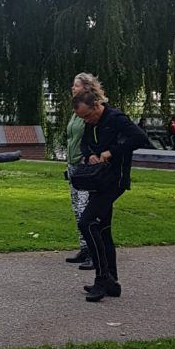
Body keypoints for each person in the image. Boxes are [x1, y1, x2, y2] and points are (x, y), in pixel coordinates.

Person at [71, 87, 151, 302]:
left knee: (87, 223)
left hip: (114, 181)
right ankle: (112, 282)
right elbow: (86, 144)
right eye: (82, 118)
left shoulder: (116, 118)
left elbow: (140, 138)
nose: (87, 121)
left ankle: (102, 278)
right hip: (98, 179)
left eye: (88, 115)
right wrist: (90, 156)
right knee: (103, 229)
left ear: (97, 106)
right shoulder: (91, 123)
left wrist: (111, 152)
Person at [64, 73, 106, 271]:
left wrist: (90, 155)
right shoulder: (76, 111)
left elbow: (94, 136)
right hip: (73, 165)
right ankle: (83, 247)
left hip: (86, 166)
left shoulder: (93, 109)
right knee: (75, 206)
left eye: (76, 85)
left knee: (84, 209)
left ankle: (93, 251)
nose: (73, 88)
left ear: (86, 87)